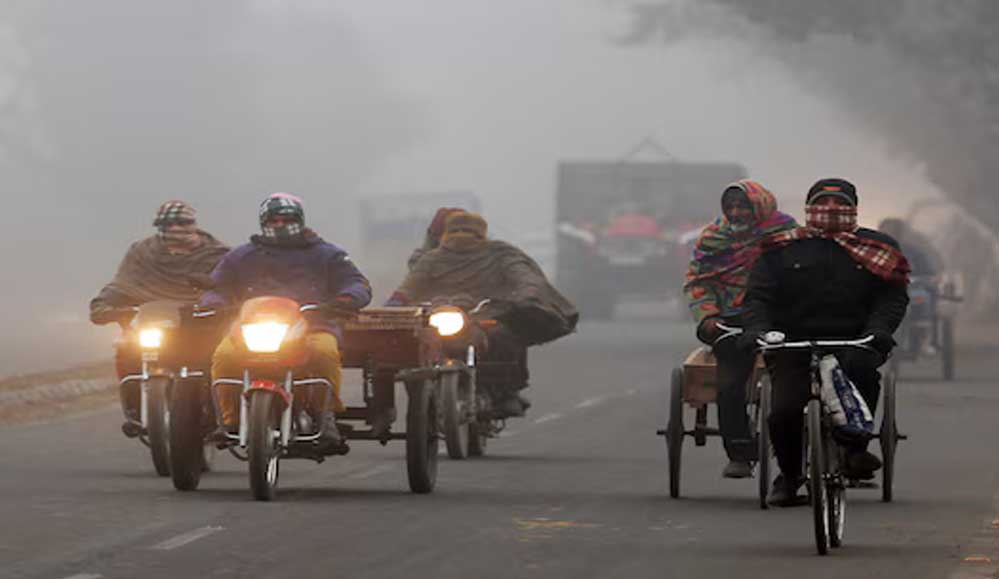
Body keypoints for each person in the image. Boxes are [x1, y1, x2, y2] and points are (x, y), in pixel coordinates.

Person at [743, 178, 910, 506]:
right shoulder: (780, 247)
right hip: (792, 343)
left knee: (862, 375)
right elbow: (757, 297)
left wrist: (879, 329)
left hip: (854, 341)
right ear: (808, 208)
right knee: (784, 412)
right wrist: (757, 330)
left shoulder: (877, 248)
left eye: (840, 203)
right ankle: (789, 477)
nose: (831, 209)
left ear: (854, 208)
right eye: (822, 201)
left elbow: (891, 298)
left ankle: (855, 450)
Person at [200, 193, 372, 453]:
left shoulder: (328, 254)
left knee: (325, 352)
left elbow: (356, 283)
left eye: (287, 219)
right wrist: (213, 302)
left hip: (314, 325)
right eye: (274, 220)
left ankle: (326, 416)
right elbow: (217, 285)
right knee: (224, 356)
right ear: (263, 222)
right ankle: (230, 420)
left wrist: (346, 299)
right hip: (250, 328)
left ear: (300, 221)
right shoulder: (241, 256)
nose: (280, 225)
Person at [387, 211, 578, 417]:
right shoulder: (431, 258)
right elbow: (410, 286)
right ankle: (422, 397)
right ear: (444, 234)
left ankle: (504, 392)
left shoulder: (501, 254)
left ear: (482, 235)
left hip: (486, 313)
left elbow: (523, 274)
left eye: (468, 231)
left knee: (503, 336)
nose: (461, 235)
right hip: (440, 314)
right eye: (456, 230)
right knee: (412, 346)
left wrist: (528, 292)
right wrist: (394, 303)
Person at [684, 180, 797, 478]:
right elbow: (698, 283)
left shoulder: (787, 234)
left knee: (796, 384)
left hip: (779, 317)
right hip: (730, 321)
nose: (736, 213)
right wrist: (707, 315)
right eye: (730, 206)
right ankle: (738, 452)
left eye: (743, 207)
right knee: (729, 386)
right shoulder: (712, 237)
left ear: (760, 207)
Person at [89, 200, 229, 434]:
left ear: (193, 224)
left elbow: (230, 288)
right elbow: (124, 283)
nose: (174, 229)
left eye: (181, 223)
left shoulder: (218, 255)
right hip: (153, 322)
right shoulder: (142, 252)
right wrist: (104, 305)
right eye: (167, 224)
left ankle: (216, 412)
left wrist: (224, 309)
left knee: (219, 360)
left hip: (200, 326)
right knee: (126, 349)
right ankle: (134, 409)